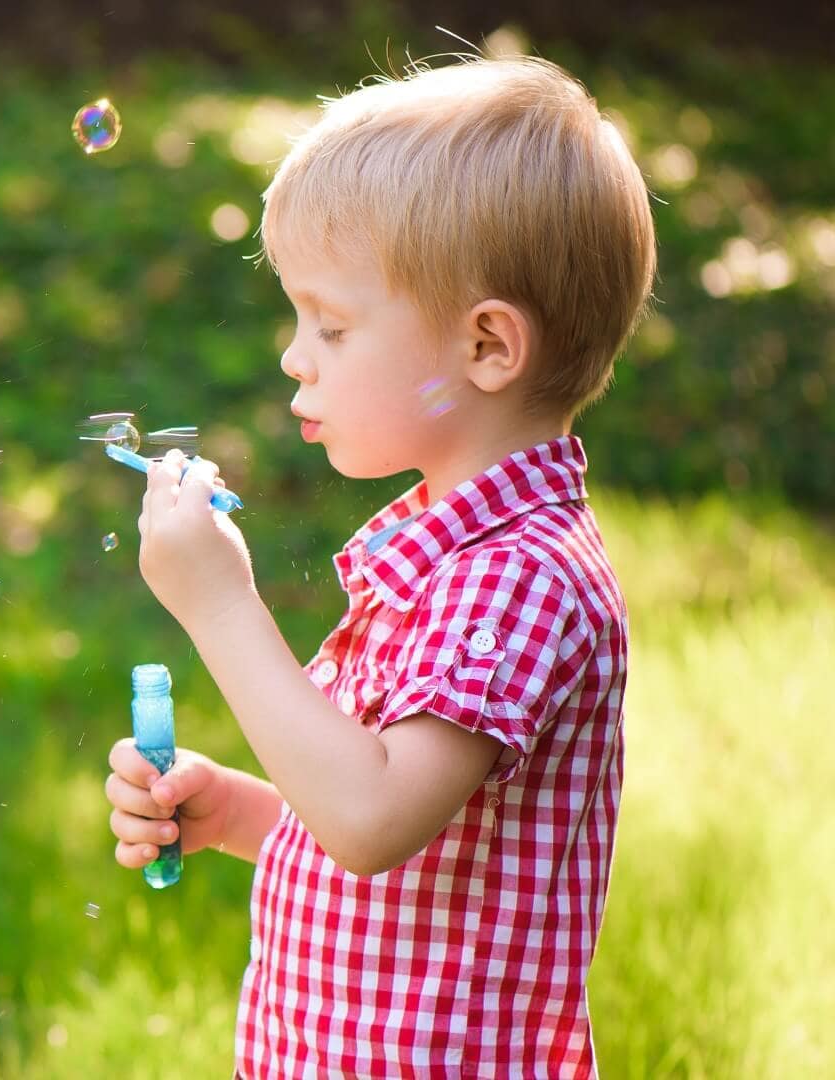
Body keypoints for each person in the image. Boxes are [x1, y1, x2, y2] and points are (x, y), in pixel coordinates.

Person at [104, 55, 654, 1075]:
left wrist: (221, 607)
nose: (294, 357)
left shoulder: (521, 578)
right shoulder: (449, 557)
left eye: (334, 324)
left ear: (488, 347)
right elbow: (415, 849)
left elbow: (371, 817)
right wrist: (237, 810)